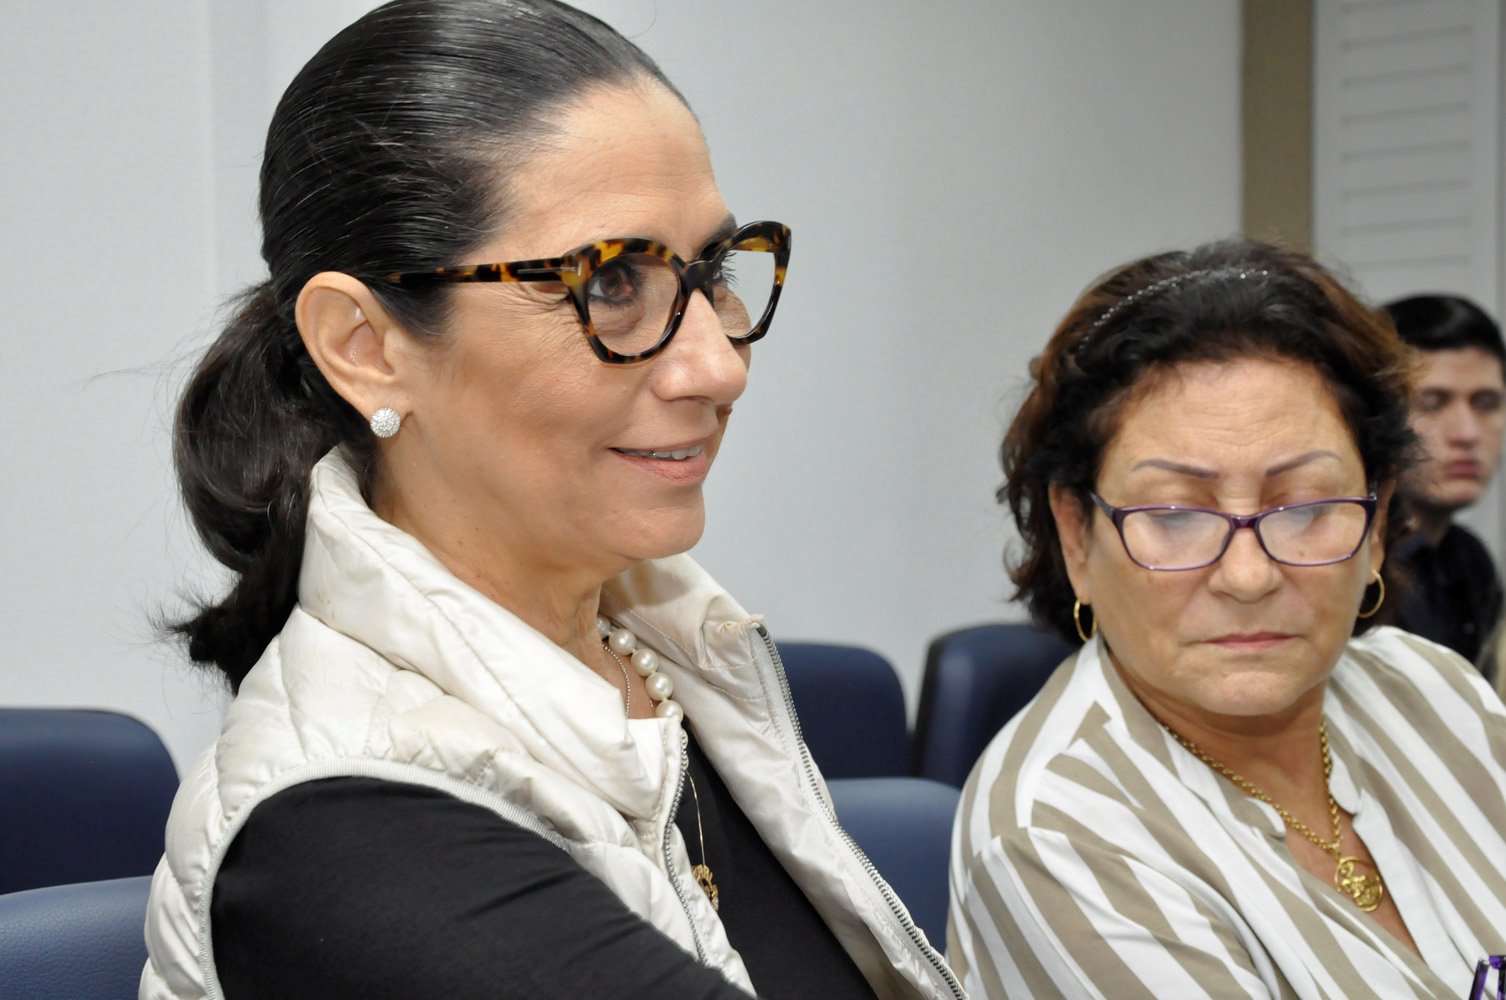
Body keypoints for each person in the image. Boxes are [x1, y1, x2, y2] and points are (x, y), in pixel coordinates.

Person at [141, 3, 963, 998]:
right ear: (366, 348)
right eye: (611, 283)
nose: (718, 366)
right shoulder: (347, 838)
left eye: (710, 271)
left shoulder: (675, 659)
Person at [947, 239, 1506, 998]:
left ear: (1376, 526)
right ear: (1077, 535)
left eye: (1305, 506)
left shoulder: (1438, 694)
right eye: (1175, 514)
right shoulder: (1057, 835)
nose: (1248, 576)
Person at [1385, 294, 1506, 671]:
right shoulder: (1349, 567)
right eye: (1432, 403)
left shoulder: (1469, 559)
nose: (1467, 433)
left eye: (1485, 403)